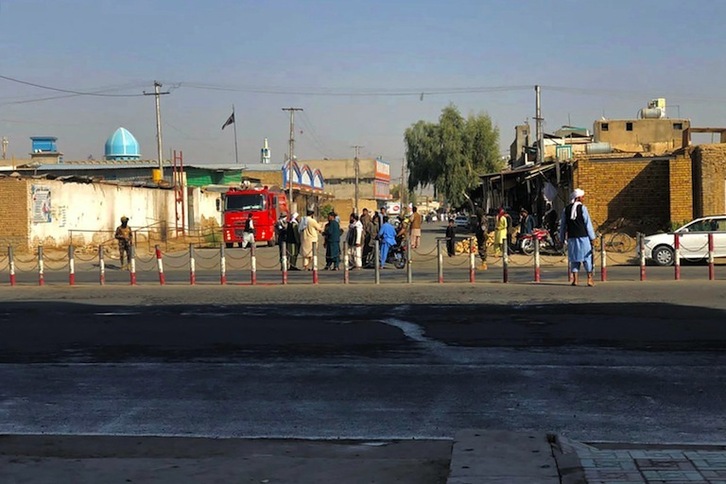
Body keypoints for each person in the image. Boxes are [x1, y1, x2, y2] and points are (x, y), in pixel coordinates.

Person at [559, 188, 597, 287]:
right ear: (578, 198)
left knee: (574, 259)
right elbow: (587, 224)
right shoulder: (583, 208)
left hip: (571, 238)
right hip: (583, 238)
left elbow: (563, 225)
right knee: (587, 258)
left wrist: (561, 238)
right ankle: (589, 279)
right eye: (582, 197)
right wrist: (592, 237)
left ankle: (575, 280)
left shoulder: (566, 209)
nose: (584, 198)